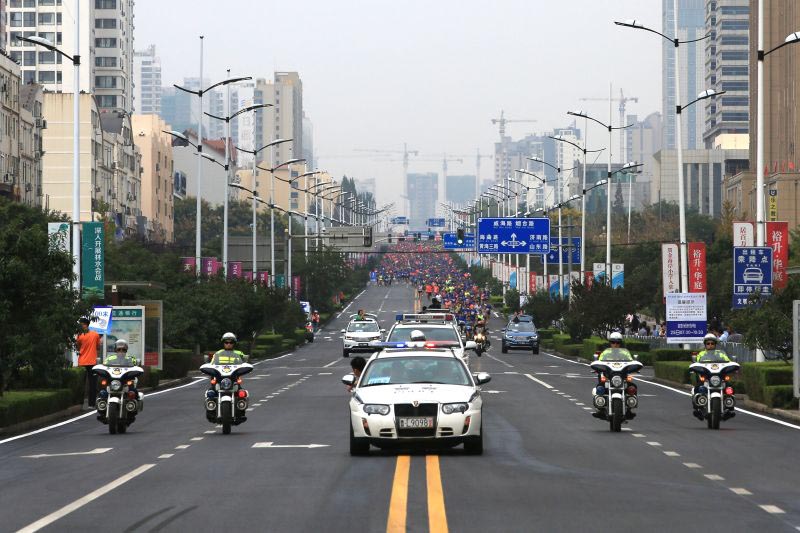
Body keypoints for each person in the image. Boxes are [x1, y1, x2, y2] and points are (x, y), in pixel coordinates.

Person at [691, 333, 732, 419]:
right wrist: (694, 365)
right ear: (705, 344)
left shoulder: (721, 354)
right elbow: (697, 362)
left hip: (719, 376)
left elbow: (728, 361)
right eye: (708, 343)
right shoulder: (701, 354)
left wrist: (732, 365)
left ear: (715, 344)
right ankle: (698, 409)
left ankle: (729, 408)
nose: (710, 345)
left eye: (712, 343)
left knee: (729, 387)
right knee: (697, 388)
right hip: (706, 376)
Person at [75, 317, 102, 409]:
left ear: (85, 325)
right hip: (91, 362)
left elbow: (78, 347)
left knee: (82, 385)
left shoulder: (80, 335)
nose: (80, 326)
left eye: (81, 325)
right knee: (92, 384)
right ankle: (91, 404)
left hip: (83, 362)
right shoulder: (95, 334)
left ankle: (81, 404)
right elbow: (98, 347)